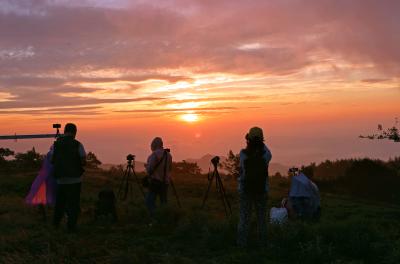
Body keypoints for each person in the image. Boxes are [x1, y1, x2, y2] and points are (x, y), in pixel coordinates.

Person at [237, 127, 272, 247]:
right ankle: (263, 244)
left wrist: (240, 188)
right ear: (262, 140)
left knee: (244, 218)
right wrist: (261, 143)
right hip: (262, 191)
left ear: (248, 140)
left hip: (246, 191)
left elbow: (242, 174)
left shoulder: (243, 154)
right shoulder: (266, 155)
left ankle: (242, 244)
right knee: (262, 219)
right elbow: (268, 152)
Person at [52, 123, 86, 232]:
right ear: (74, 132)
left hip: (61, 179)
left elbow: (52, 160)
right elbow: (83, 160)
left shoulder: (56, 144)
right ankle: (71, 227)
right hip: (75, 179)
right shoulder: (78, 144)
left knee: (60, 203)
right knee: (73, 204)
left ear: (65, 131)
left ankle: (55, 225)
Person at [145, 137, 172, 219]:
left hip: (155, 182)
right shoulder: (168, 155)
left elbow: (150, 169)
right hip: (165, 183)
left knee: (150, 201)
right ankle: (164, 218)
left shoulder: (154, 154)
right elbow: (169, 168)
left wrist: (146, 167)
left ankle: (154, 217)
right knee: (163, 202)